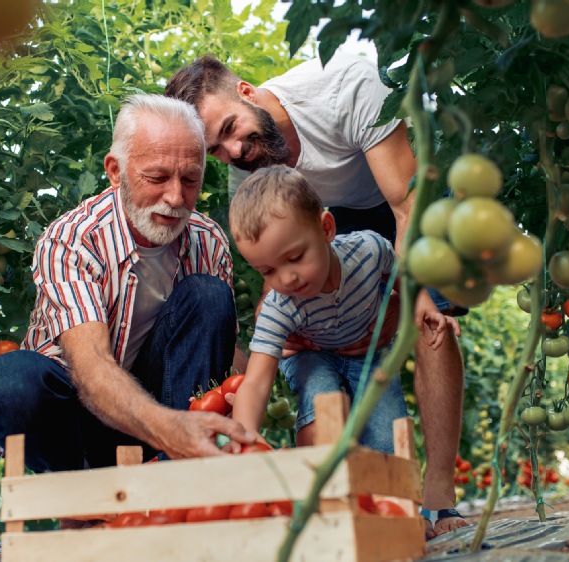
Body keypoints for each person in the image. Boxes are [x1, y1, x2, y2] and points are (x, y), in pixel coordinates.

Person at [165, 51, 467, 538]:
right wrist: (264, 354)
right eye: (216, 152)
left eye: (229, 130)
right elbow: (274, 268)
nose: (233, 152)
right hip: (323, 220)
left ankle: (439, 494)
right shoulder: (251, 164)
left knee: (430, 322)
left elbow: (406, 209)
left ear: (246, 91)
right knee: (305, 334)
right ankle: (351, 503)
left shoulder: (346, 86)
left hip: (404, 194)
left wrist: (411, 301)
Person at [0, 94, 256, 481]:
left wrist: (268, 360)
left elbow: (220, 359)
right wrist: (171, 427)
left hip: (168, 424)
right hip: (79, 422)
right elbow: (91, 370)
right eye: (157, 178)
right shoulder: (72, 239)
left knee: (209, 295)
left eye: (190, 179)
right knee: (10, 380)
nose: (176, 197)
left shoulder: (207, 240)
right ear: (115, 171)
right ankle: (80, 502)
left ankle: (179, 482)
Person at [227, 165, 448, 454]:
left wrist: (424, 305)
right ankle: (316, 482)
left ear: (326, 229)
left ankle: (387, 496)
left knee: (387, 437)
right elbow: (255, 383)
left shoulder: (367, 250)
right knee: (321, 402)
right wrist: (245, 436)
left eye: (295, 257)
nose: (286, 279)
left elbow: (400, 273)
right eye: (268, 271)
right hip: (311, 356)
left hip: (365, 352)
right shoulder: (279, 307)